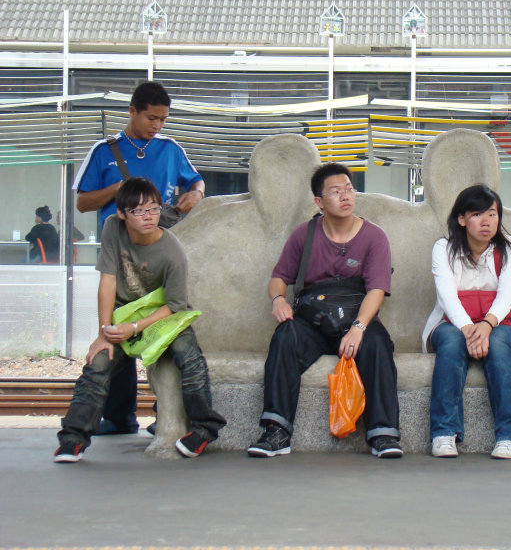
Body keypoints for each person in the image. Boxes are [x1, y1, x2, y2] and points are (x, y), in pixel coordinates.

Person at [53, 178, 226, 462]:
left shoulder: (173, 252)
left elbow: (175, 305)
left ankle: (205, 427)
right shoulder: (112, 227)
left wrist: (134, 328)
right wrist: (103, 332)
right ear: (122, 213)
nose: (149, 217)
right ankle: (73, 438)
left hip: (164, 317)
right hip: (125, 314)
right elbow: (107, 281)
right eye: (139, 211)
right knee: (98, 363)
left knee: (188, 355)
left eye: (154, 209)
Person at [72, 81, 206, 436]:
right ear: (132, 111)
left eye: (162, 119)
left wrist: (195, 193)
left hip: (161, 255)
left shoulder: (170, 148)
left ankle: (167, 415)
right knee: (116, 329)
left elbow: (197, 182)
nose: (157, 126)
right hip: (119, 256)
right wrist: (117, 191)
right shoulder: (104, 151)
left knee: (164, 332)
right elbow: (82, 202)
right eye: (151, 118)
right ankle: (119, 416)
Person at [247, 163, 402, 459]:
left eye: (349, 189)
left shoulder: (374, 236)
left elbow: (376, 290)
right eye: (335, 191)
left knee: (378, 344)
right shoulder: (303, 235)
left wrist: (358, 327)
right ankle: (276, 431)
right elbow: (279, 277)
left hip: (357, 315)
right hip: (313, 318)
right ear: (319, 202)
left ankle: (383, 434)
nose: (345, 196)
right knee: (285, 337)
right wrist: (278, 300)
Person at [422, 185, 511, 459]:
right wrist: (470, 329)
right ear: (461, 219)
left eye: (492, 214)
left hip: (501, 323)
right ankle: (444, 432)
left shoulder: (509, 247)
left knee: (497, 343)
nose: (486, 221)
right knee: (450, 341)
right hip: (455, 323)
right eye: (477, 214)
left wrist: (486, 325)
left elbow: (508, 294)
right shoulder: (443, 248)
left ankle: (510, 435)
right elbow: (446, 296)